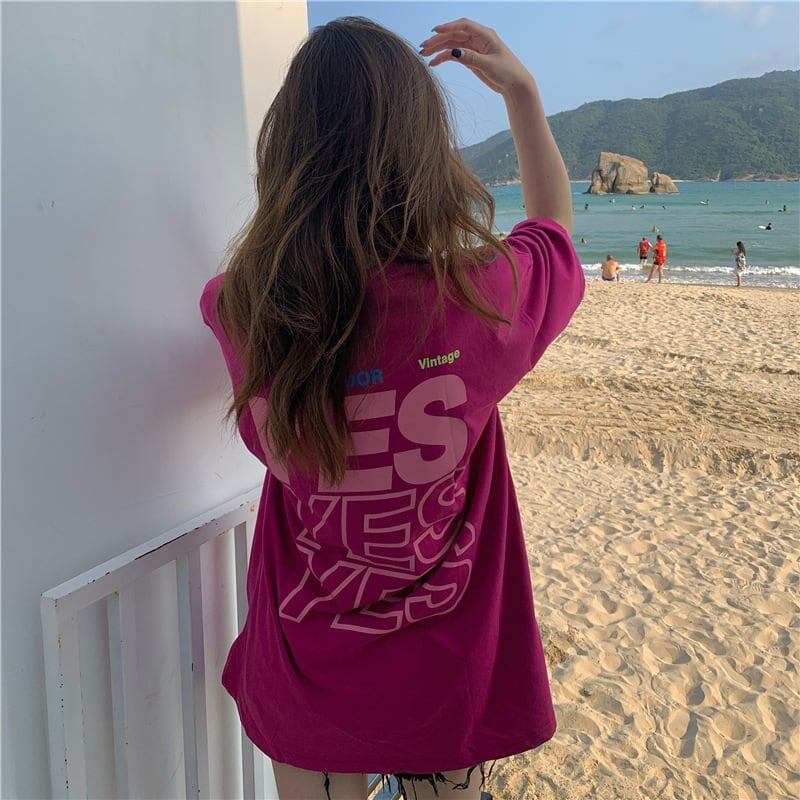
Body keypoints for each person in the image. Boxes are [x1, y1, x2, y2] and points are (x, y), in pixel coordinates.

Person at [200, 16, 584, 800]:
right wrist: (522, 94)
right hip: (445, 674)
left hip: (306, 665)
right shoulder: (480, 300)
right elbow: (553, 230)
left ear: (285, 154)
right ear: (423, 153)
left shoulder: (241, 308)